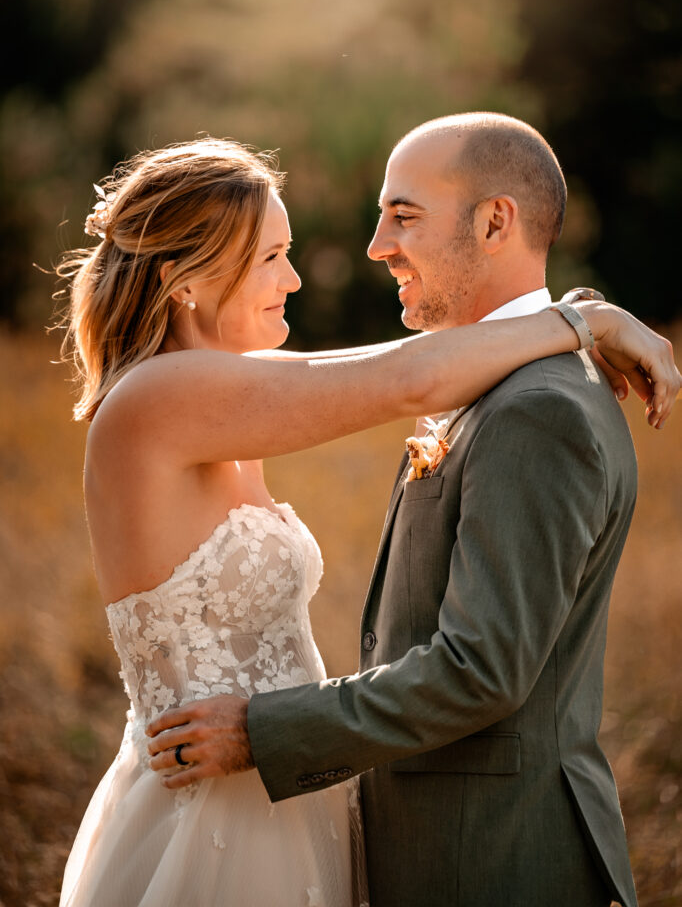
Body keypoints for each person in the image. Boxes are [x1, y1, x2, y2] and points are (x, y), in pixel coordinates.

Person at [146, 117, 681, 907]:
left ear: (494, 223)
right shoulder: (520, 377)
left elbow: (479, 671)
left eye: (404, 215)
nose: (376, 246)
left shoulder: (536, 409)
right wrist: (584, 313)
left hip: (494, 864)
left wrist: (261, 731)